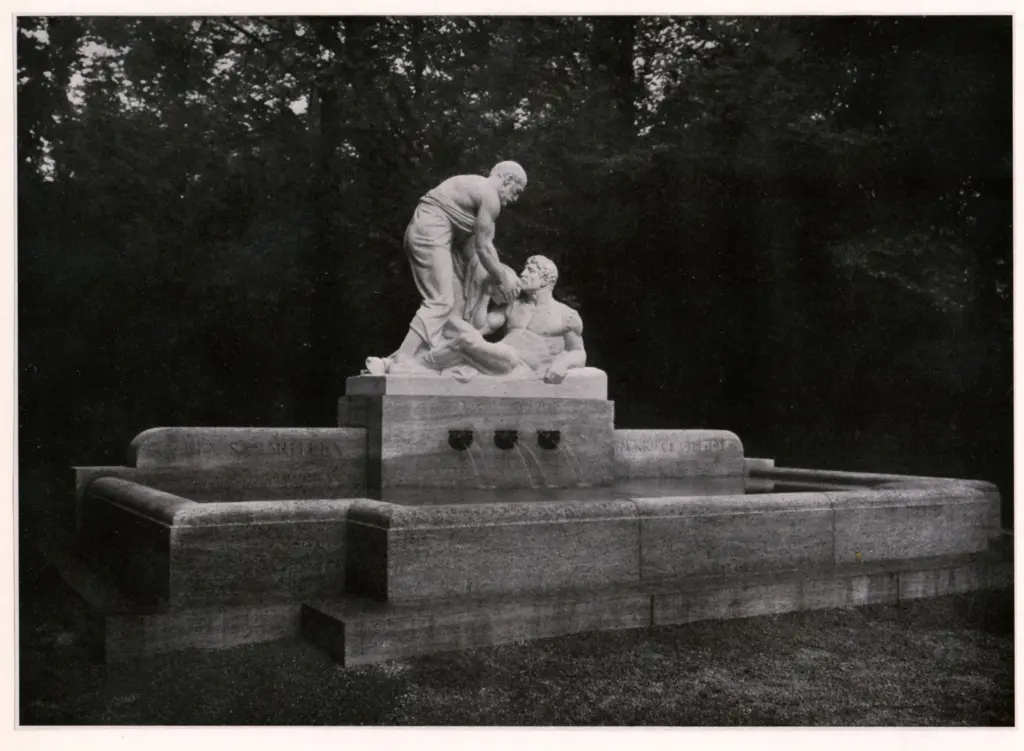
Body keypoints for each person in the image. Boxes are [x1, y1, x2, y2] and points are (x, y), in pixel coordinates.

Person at [367, 161, 527, 375]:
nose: (515, 199)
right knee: (440, 301)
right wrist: (502, 277)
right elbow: (483, 247)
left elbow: (481, 246)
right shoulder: (490, 195)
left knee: (453, 307)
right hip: (431, 231)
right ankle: (404, 360)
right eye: (516, 192)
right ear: (507, 180)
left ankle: (393, 361)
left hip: (430, 232)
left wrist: (500, 277)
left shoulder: (476, 188)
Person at [421, 255, 586, 384]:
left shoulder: (566, 315)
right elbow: (480, 328)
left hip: (522, 365)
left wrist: (563, 364)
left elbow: (578, 352)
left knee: (466, 340)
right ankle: (422, 364)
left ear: (545, 280)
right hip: (501, 357)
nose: (523, 274)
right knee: (467, 338)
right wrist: (486, 293)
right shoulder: (512, 306)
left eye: (530, 270)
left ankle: (423, 364)